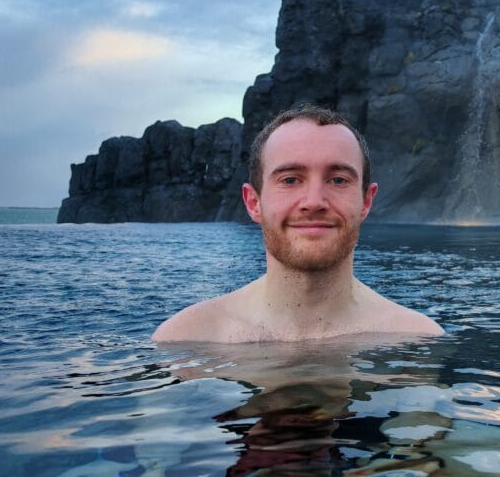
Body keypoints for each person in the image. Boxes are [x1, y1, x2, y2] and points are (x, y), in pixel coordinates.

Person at [153, 104, 443, 342]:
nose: (314, 201)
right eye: (290, 180)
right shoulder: (185, 340)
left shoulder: (417, 341)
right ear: (254, 202)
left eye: (338, 180)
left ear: (366, 201)